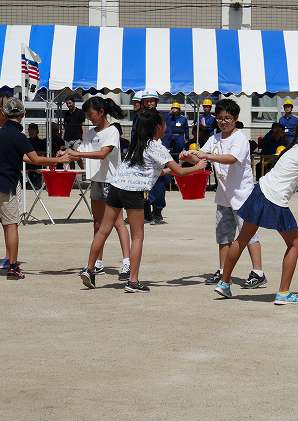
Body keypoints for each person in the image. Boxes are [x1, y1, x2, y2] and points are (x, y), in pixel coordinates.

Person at [211, 115, 298, 303]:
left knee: (242, 239)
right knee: (295, 243)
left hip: (259, 191)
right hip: (274, 199)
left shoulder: (293, 149)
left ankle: (224, 284)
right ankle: (283, 293)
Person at [79, 109, 206, 292]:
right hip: (134, 192)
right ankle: (133, 281)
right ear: (157, 127)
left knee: (103, 230)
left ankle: (89, 269)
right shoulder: (156, 146)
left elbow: (158, 171)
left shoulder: (137, 144)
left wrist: (178, 163)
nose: (165, 127)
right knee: (137, 236)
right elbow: (180, 172)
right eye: (163, 124)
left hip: (116, 186)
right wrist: (199, 166)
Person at [182, 99, 267, 289]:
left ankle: (258, 272)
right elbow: (200, 154)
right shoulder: (215, 138)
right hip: (223, 196)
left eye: (227, 118)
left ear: (235, 119)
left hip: (243, 195)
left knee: (248, 235)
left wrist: (206, 156)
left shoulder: (240, 139)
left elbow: (231, 159)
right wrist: (188, 155)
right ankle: (223, 271)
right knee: (224, 236)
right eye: (220, 118)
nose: (223, 121)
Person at [0, 97, 71, 279]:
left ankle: (9, 261)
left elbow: (22, 157)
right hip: (6, 186)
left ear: (4, 114)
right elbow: (35, 159)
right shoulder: (18, 136)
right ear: (23, 114)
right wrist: (59, 160)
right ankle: (13, 267)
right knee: (10, 226)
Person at [65, 97, 132, 280]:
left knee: (118, 223)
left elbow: (102, 154)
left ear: (101, 112)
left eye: (91, 114)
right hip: (96, 180)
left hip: (112, 182)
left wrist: (77, 153)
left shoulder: (112, 131)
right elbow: (81, 153)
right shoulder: (89, 133)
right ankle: (98, 263)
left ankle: (127, 262)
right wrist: (66, 154)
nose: (90, 118)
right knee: (97, 222)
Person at [140, 90, 168, 225]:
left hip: (158, 152)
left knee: (159, 186)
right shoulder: (139, 117)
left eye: (152, 100)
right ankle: (146, 214)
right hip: (145, 154)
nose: (149, 103)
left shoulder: (160, 117)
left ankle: (157, 213)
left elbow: (165, 134)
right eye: (147, 100)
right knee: (144, 187)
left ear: (156, 102)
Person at [63, 95, 85, 170]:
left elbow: (83, 125)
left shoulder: (80, 112)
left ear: (74, 102)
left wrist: (82, 137)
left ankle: (83, 171)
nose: (68, 105)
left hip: (77, 137)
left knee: (77, 156)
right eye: (67, 104)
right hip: (67, 138)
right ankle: (73, 175)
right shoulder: (66, 114)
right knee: (70, 158)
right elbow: (65, 125)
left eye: (70, 103)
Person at [26, 123, 46, 188]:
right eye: (30, 129)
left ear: (37, 131)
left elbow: (45, 152)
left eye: (33, 129)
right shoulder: (26, 141)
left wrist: (34, 153)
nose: (31, 131)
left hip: (38, 164)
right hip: (28, 164)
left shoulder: (41, 142)